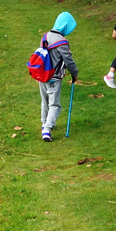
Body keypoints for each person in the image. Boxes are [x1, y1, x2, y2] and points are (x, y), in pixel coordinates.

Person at [36, 11, 79, 141]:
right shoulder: (62, 42)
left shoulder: (45, 36)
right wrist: (75, 73)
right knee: (55, 105)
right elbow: (68, 60)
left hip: (42, 75)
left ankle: (44, 123)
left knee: (45, 101)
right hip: (54, 78)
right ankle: (47, 130)